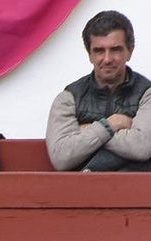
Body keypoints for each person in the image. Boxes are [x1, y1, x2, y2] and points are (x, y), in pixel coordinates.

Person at [46, 10, 151, 172]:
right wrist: (110, 125)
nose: (107, 59)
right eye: (99, 51)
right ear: (90, 54)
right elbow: (61, 157)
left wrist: (88, 130)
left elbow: (142, 146)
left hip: (136, 192)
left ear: (129, 51)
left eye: (115, 49)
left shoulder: (146, 93)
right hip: (79, 192)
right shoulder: (69, 98)